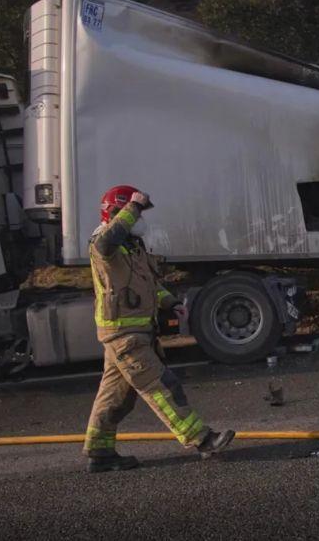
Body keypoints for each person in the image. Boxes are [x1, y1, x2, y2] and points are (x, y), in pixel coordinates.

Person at [83, 185, 234, 473]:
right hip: (124, 336)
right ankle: (203, 440)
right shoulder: (102, 243)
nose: (141, 221)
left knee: (116, 398)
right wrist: (133, 207)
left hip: (134, 334)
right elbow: (106, 243)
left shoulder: (132, 248)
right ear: (118, 212)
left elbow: (148, 286)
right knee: (162, 387)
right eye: (135, 213)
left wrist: (171, 302)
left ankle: (100, 451)